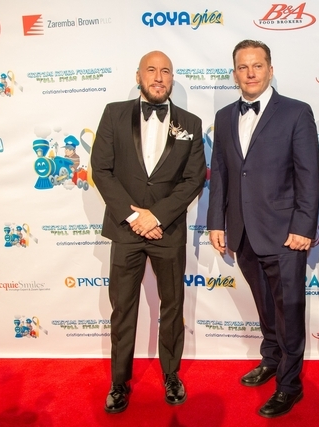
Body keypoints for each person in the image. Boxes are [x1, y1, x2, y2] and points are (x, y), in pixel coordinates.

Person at [207, 40, 319, 418]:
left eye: (257, 65)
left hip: (286, 234)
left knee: (289, 311)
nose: (251, 73)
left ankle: (290, 385)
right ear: (234, 73)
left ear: (271, 70)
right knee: (265, 306)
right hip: (243, 232)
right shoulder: (225, 116)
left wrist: (303, 226)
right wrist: (216, 222)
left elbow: (309, 175)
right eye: (243, 67)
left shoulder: (296, 112)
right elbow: (221, 173)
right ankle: (271, 359)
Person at [91, 51, 207, 414]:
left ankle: (171, 374)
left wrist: (155, 216)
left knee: (172, 306)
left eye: (165, 71)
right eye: (151, 70)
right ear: (138, 75)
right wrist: (133, 217)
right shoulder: (113, 114)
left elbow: (193, 179)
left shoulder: (191, 122)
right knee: (123, 308)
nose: (158, 77)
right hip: (125, 231)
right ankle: (119, 381)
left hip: (167, 231)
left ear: (172, 78)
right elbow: (101, 169)